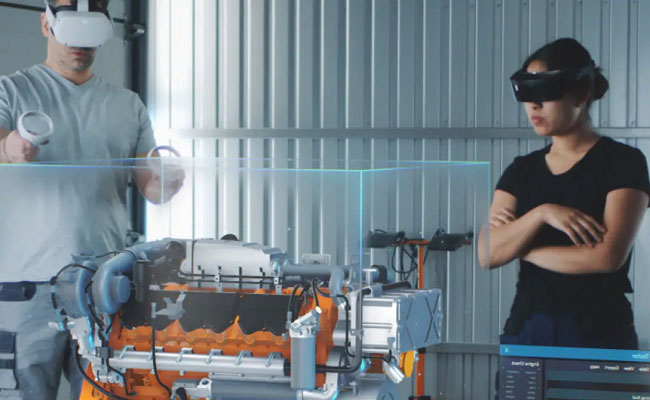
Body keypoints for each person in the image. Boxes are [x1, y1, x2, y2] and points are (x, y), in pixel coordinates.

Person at [0, 0, 183, 399]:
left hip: (104, 286)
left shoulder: (128, 105)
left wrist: (168, 182)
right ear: (46, 25)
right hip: (24, 287)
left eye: (89, 36)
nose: (79, 47)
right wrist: (11, 147)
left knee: (105, 392)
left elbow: (151, 187)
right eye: (72, 32)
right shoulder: (9, 91)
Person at [478, 38, 650, 350]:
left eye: (545, 91)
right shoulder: (521, 171)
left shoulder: (623, 163)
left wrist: (523, 248)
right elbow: (488, 254)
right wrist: (542, 213)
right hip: (528, 326)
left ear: (581, 93)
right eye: (527, 92)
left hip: (600, 331)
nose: (533, 105)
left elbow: (606, 257)